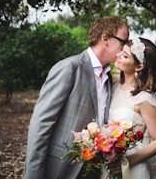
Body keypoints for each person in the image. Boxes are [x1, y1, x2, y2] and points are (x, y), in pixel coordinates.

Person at [24, 16, 129, 179]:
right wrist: (33, 175)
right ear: (105, 39)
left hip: (92, 170)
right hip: (60, 168)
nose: (124, 49)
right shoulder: (69, 68)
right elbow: (41, 123)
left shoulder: (109, 79)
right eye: (123, 42)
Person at [102, 37, 156, 179]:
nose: (118, 56)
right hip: (107, 166)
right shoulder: (112, 87)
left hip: (132, 169)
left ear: (138, 67)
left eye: (125, 56)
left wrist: (127, 162)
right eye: (121, 51)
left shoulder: (144, 98)